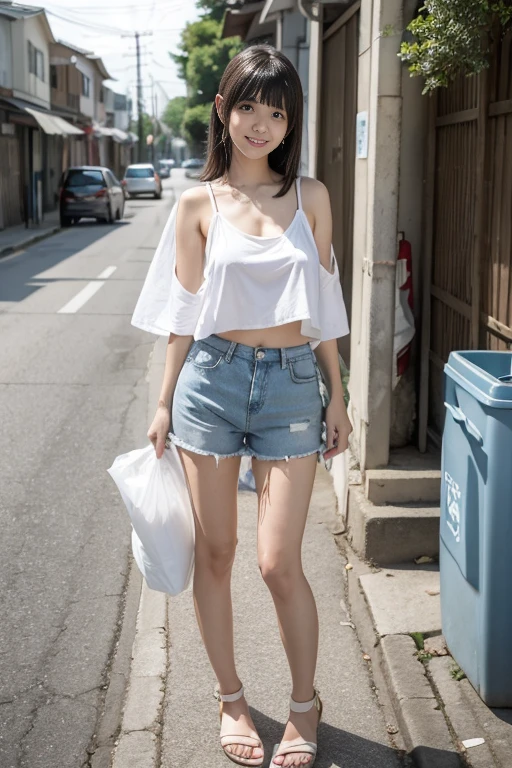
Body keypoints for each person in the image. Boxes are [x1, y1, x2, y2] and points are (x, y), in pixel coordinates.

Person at [132, 44, 352, 768]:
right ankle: (230, 697)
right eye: (248, 107)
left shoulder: (311, 197)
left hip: (292, 383)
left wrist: (338, 397)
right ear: (223, 111)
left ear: (292, 122)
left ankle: (302, 704)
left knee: (278, 561)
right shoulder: (197, 203)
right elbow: (183, 314)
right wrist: (164, 402)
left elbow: (324, 304)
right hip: (212, 383)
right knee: (216, 554)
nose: (261, 124)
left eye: (278, 111)